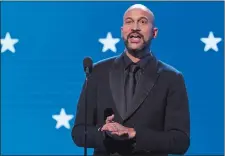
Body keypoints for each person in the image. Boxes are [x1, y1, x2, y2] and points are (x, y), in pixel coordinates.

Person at [71, 4, 190, 156]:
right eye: (129, 21)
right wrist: (103, 133)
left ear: (154, 32)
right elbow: (79, 132)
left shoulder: (172, 78)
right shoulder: (97, 72)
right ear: (122, 31)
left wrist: (133, 134)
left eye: (142, 22)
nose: (135, 27)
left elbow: (180, 141)